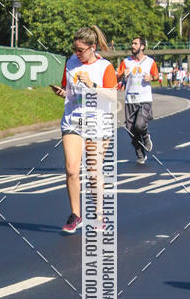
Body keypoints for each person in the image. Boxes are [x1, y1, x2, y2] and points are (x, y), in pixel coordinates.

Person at [52, 25, 117, 233]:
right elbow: (69, 90)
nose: (77, 53)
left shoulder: (104, 67)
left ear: (92, 47)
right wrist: (63, 92)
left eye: (81, 50)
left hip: (97, 123)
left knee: (92, 172)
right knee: (71, 168)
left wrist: (92, 85)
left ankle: (99, 216)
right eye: (75, 49)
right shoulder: (70, 63)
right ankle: (75, 215)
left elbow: (113, 96)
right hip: (73, 121)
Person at [116, 36, 158, 164]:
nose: (132, 46)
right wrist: (123, 74)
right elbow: (117, 77)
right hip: (130, 100)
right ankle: (140, 153)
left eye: (135, 44)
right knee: (130, 128)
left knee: (139, 125)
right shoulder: (126, 62)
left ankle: (145, 136)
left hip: (144, 99)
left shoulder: (150, 62)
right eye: (132, 43)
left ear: (142, 46)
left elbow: (156, 76)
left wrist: (150, 77)